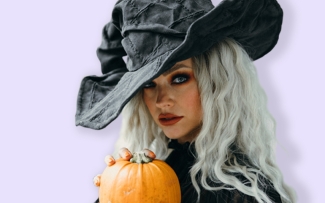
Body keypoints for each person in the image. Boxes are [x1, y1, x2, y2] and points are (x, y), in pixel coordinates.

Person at [75, 0, 296, 202]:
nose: (161, 101)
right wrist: (117, 193)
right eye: (148, 84)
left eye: (179, 78)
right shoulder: (165, 170)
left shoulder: (244, 193)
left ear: (216, 82)